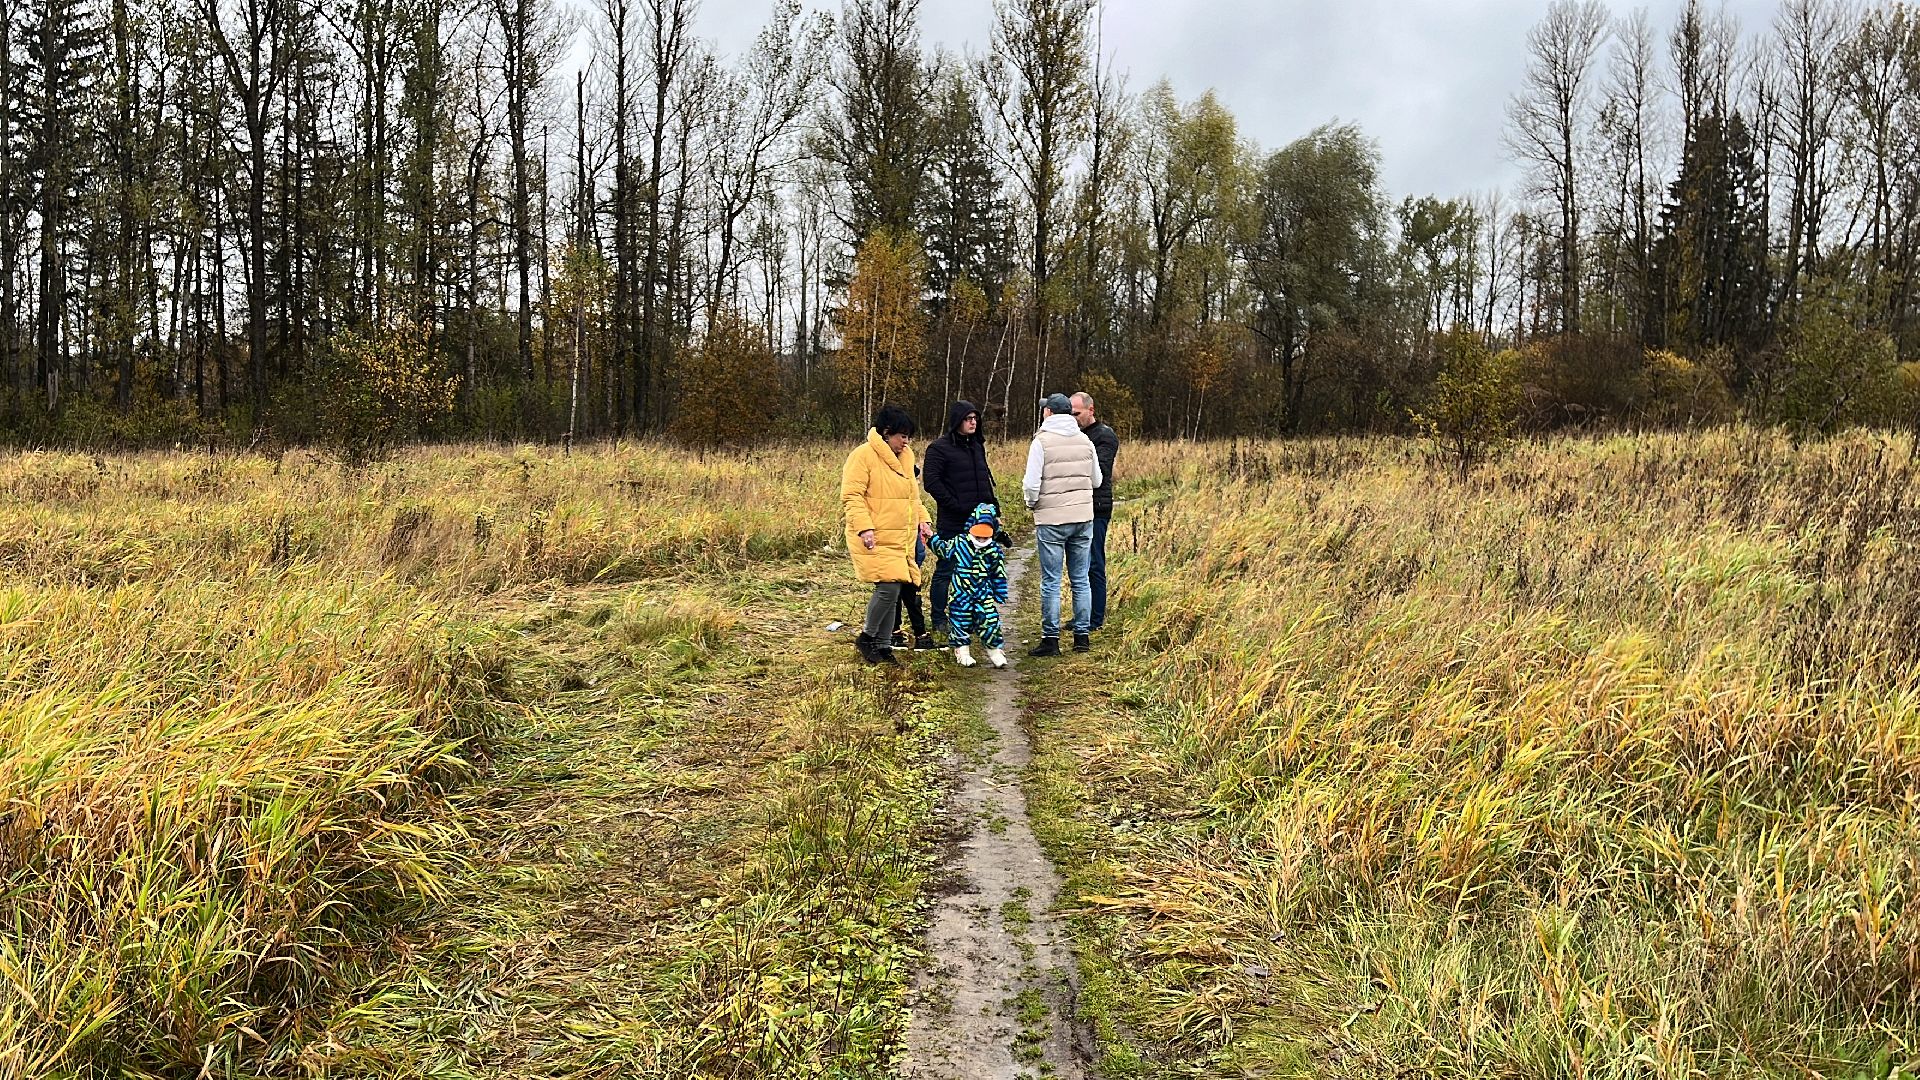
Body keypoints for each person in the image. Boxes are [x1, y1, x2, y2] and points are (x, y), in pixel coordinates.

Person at [841, 405, 934, 665]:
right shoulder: (862, 456)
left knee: (893, 589)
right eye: (902, 436)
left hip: (900, 537)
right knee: (888, 587)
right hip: (874, 535)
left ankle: (883, 647)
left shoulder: (906, 457)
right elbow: (851, 496)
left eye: (908, 437)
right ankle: (868, 638)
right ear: (886, 432)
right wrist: (864, 527)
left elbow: (912, 498)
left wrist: (923, 521)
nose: (906, 442)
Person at [1022, 393, 1101, 657]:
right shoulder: (1085, 441)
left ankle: (1051, 640)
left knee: (1051, 581)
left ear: (1050, 414)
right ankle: (1082, 638)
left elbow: (1032, 485)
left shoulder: (1041, 442)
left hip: (1052, 520)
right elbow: (1097, 480)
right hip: (1082, 518)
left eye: (1045, 409)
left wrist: (1032, 504)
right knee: (1080, 579)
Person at [919, 400, 998, 637]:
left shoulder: (976, 446)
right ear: (957, 421)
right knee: (946, 568)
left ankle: (970, 616)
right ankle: (938, 617)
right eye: (968, 418)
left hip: (979, 522)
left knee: (975, 570)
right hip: (953, 521)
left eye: (975, 418)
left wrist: (994, 510)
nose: (973, 422)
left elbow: (984, 480)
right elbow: (931, 482)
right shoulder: (939, 448)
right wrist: (955, 506)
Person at [926, 503, 1009, 669]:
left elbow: (998, 572)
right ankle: (962, 651)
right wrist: (931, 538)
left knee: (989, 620)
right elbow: (944, 550)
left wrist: (999, 591)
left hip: (983, 593)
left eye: (985, 537)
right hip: (961, 594)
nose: (981, 540)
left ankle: (995, 650)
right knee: (960, 620)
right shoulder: (960, 543)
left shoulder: (992, 550)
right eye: (978, 536)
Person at [1071, 391, 1119, 632]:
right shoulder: (1075, 435)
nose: (1074, 418)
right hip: (1077, 506)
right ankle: (1081, 614)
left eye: (1077, 413)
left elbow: (1098, 472)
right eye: (1070, 413)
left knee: (1094, 563)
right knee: (1078, 565)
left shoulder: (1104, 436)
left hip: (1097, 507)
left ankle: (1095, 618)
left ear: (1091, 410)